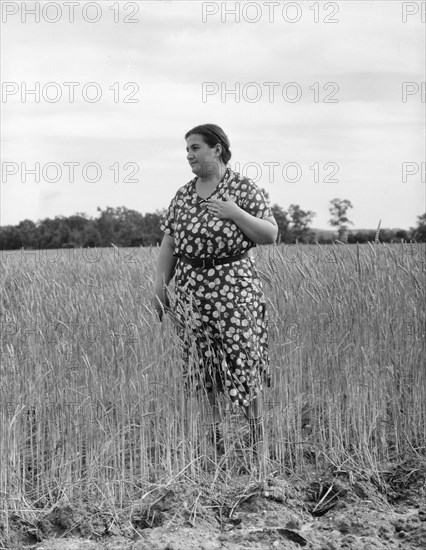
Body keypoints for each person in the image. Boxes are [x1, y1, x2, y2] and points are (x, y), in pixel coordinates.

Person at [153, 123, 277, 457]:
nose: (189, 154)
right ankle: (216, 453)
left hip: (235, 291)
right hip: (193, 294)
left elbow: (269, 234)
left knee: (243, 365)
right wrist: (160, 288)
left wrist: (235, 212)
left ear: (217, 149)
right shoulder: (183, 194)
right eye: (187, 149)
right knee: (200, 371)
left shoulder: (242, 188)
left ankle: (259, 452)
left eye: (195, 147)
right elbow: (169, 243)